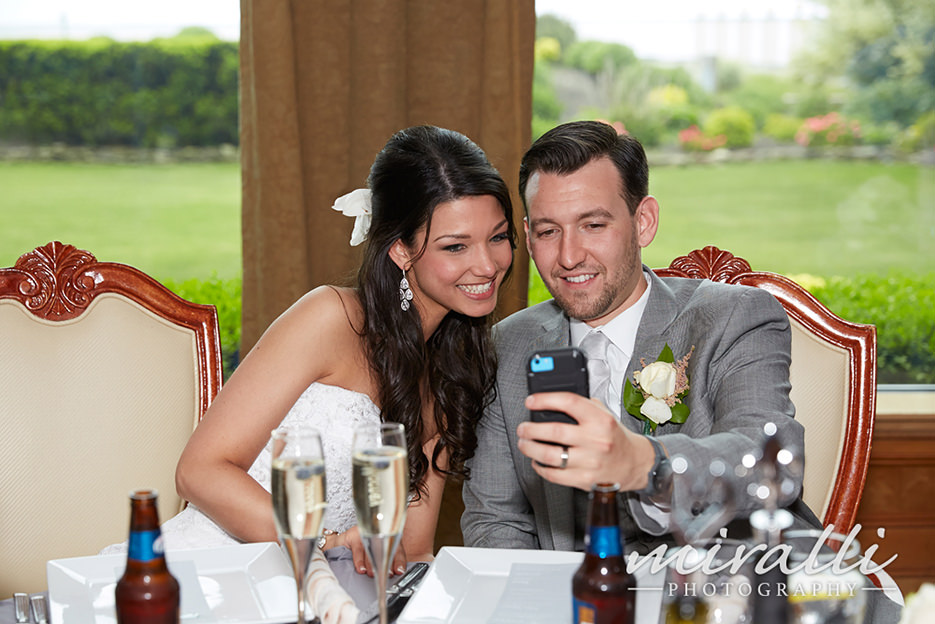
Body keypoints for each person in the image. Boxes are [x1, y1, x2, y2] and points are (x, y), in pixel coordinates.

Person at [103, 125, 516, 578]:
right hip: (208, 575)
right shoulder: (331, 317)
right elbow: (200, 473)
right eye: (456, 246)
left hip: (323, 596)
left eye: (497, 237)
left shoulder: (452, 372)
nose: (487, 265)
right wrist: (326, 543)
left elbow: (412, 551)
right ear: (401, 250)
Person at [461, 120, 822, 554]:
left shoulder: (733, 318)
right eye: (548, 231)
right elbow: (495, 520)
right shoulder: (507, 345)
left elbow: (768, 466)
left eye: (593, 225)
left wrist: (644, 464)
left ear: (643, 222)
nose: (569, 256)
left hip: (721, 594)